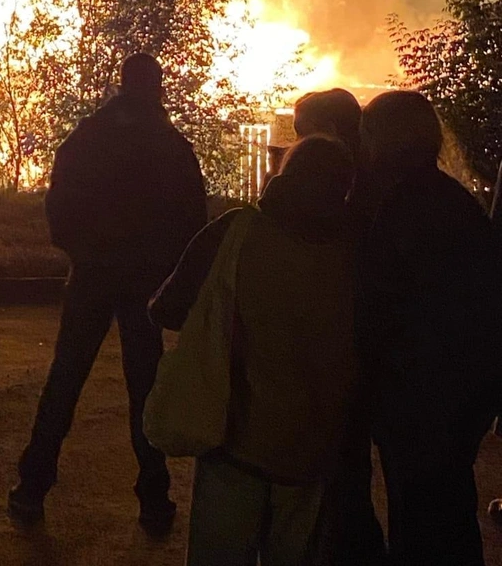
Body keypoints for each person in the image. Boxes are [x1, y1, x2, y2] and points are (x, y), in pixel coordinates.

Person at [9, 52, 207, 537]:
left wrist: (80, 251)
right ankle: (154, 498)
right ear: (157, 88)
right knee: (145, 386)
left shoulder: (87, 138)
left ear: (121, 85)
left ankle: (33, 487)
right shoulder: (170, 145)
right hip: (145, 282)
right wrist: (169, 273)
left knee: (66, 377)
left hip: (93, 274)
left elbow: (59, 204)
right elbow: (192, 220)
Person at [150, 134, 357, 566]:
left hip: (234, 436)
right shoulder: (356, 250)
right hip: (312, 447)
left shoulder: (236, 232)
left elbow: (167, 309)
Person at [358, 90, 502, 566]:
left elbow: (380, 304)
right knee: (449, 505)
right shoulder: (454, 202)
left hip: (417, 392)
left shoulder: (394, 205)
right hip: (464, 388)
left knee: (419, 513)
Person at [293, 88, 386, 565]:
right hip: (374, 350)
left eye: (302, 132)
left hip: (347, 351)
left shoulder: (346, 200)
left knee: (340, 464)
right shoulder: (375, 185)